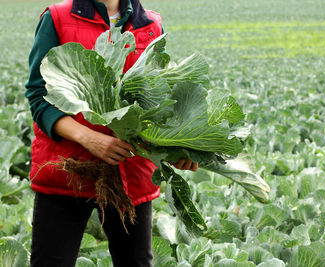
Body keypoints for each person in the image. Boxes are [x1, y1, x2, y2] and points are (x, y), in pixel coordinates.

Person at [25, 0, 198, 266]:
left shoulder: (150, 23)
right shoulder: (58, 18)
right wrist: (88, 138)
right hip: (67, 170)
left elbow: (157, 101)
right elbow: (40, 96)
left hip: (129, 174)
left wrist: (177, 149)